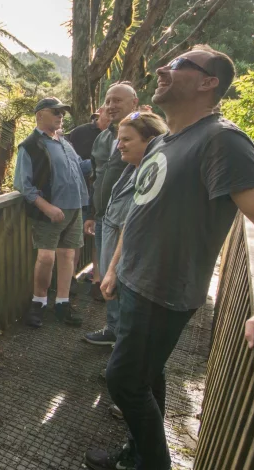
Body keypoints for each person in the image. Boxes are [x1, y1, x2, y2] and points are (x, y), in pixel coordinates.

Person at [85, 46, 254, 470]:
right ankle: (138, 452)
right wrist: (113, 268)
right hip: (132, 280)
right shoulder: (164, 141)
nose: (163, 67)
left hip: (162, 291)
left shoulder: (222, 139)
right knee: (149, 375)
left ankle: (154, 464)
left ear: (208, 83)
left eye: (179, 64)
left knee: (123, 381)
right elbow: (139, 211)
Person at [92, 111, 169, 350]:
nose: (120, 145)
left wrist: (113, 269)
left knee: (130, 312)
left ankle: (123, 362)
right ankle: (115, 336)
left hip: (128, 257)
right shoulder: (133, 167)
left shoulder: (153, 174)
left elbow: (134, 223)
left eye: (127, 140)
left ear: (151, 140)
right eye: (119, 139)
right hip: (113, 239)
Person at [14, 97, 92, 328]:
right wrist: (46, 207)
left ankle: (62, 304)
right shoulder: (30, 145)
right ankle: (37, 303)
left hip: (75, 207)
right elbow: (22, 184)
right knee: (46, 257)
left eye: (62, 113)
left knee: (68, 256)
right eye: (55, 111)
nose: (60, 116)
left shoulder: (64, 142)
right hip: (50, 212)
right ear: (39, 115)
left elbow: (80, 166)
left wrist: (103, 158)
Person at [82, 83, 139, 345]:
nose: (111, 105)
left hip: (128, 220)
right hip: (104, 217)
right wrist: (93, 213)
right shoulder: (103, 138)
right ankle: (114, 329)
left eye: (118, 100)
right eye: (108, 100)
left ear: (134, 103)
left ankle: (126, 336)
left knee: (124, 277)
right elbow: (96, 176)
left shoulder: (143, 135)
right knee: (107, 274)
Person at [67, 106, 110, 296]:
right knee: (76, 241)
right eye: (108, 106)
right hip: (81, 197)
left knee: (99, 242)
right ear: (100, 110)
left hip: (106, 197)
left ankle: (97, 281)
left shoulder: (122, 132)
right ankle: (69, 280)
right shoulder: (79, 133)